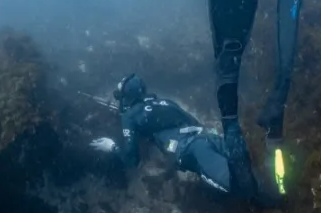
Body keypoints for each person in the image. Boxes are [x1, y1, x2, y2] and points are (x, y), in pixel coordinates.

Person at [89, 73, 258, 200]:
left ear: (126, 97)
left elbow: (131, 160)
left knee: (242, 189)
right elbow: (193, 121)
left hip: (193, 149)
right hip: (210, 138)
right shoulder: (166, 102)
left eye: (119, 96)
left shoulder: (130, 117)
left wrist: (112, 147)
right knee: (255, 171)